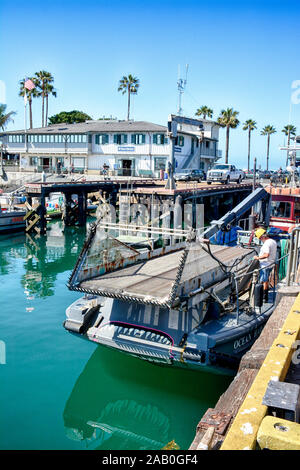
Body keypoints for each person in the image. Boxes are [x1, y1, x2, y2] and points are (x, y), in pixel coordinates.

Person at [254, 228, 277, 302]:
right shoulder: (273, 241)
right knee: (265, 280)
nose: (260, 240)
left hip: (265, 265)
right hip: (270, 264)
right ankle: (264, 296)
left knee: (264, 281)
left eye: (260, 238)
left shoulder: (266, 244)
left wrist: (258, 257)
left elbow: (266, 254)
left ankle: (264, 297)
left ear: (262, 237)